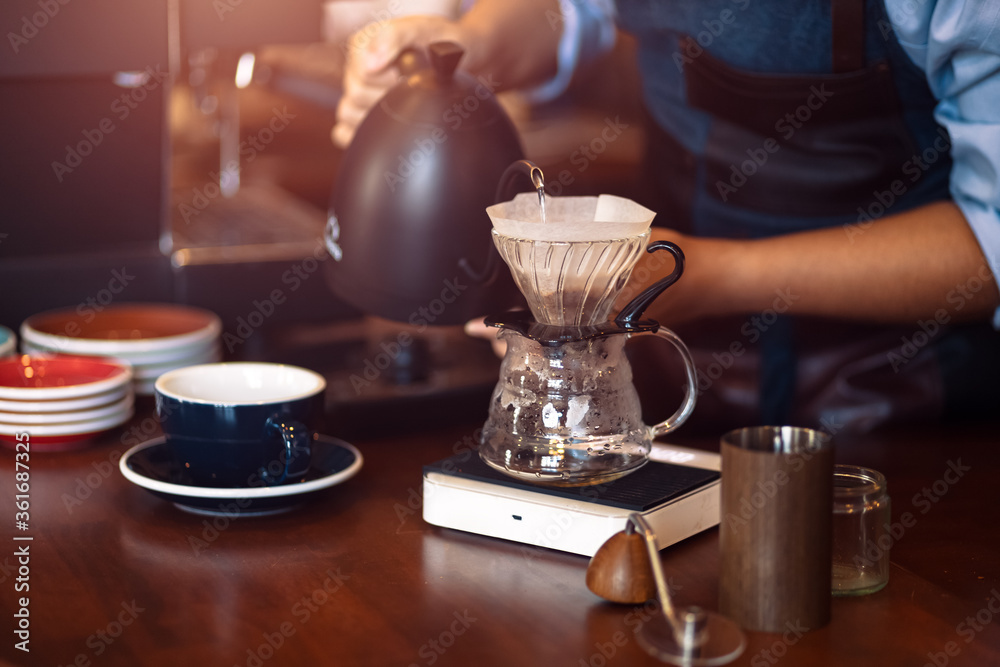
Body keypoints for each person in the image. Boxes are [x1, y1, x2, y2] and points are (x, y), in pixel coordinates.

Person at [330, 0, 1000, 433]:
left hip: (907, 412)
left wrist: (707, 275)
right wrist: (471, 41)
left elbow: (991, 246)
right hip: (664, 385)